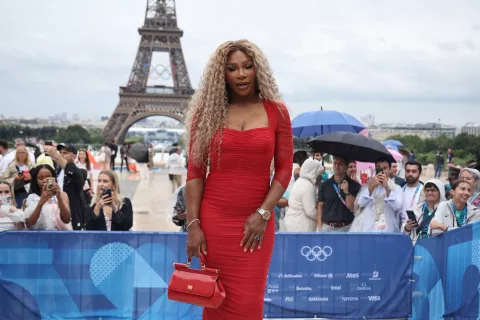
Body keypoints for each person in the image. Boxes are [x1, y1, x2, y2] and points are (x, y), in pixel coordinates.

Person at [184, 39, 293, 319]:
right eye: (232, 68)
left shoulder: (277, 111)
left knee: (249, 302)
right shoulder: (205, 115)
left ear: (258, 69)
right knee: (215, 302)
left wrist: (263, 212)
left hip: (256, 224)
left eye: (247, 66)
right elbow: (195, 172)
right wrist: (193, 224)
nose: (241, 74)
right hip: (214, 222)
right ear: (222, 74)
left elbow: (284, 168)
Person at [354, 157, 403, 232]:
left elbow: (397, 206)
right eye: (379, 168)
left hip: (388, 229)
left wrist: (387, 188)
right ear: (375, 170)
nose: (382, 171)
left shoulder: (396, 188)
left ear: (389, 169)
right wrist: (371, 188)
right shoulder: (368, 186)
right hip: (369, 229)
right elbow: (361, 203)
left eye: (385, 168)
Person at [45, 143, 86, 230]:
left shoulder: (81, 171)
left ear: (74, 156)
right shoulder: (57, 172)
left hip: (72, 214)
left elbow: (73, 171)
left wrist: (56, 156)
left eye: (65, 153)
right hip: (56, 212)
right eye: (61, 152)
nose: (62, 155)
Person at [317, 156, 361, 232]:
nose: (337, 166)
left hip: (347, 227)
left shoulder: (355, 185)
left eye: (340, 164)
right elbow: (320, 206)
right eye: (335, 163)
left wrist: (347, 192)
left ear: (346, 167)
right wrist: (320, 226)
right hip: (328, 227)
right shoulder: (324, 185)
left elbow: (353, 208)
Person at [24, 165, 71, 230]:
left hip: (59, 236)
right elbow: (28, 224)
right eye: (40, 178)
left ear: (53, 178)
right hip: (38, 237)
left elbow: (67, 219)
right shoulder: (30, 198)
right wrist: (41, 203)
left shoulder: (62, 195)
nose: (44, 180)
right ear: (36, 180)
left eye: (48, 177)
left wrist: (59, 198)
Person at [284, 158, 323, 232]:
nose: (318, 176)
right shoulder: (307, 186)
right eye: (317, 173)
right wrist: (321, 219)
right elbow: (310, 211)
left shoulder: (300, 181)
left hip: (294, 221)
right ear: (313, 172)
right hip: (302, 224)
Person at [401, 161, 424, 228]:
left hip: (416, 230)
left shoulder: (424, 191)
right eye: (408, 171)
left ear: (419, 173)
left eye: (414, 171)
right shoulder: (399, 189)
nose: (410, 174)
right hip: (399, 230)